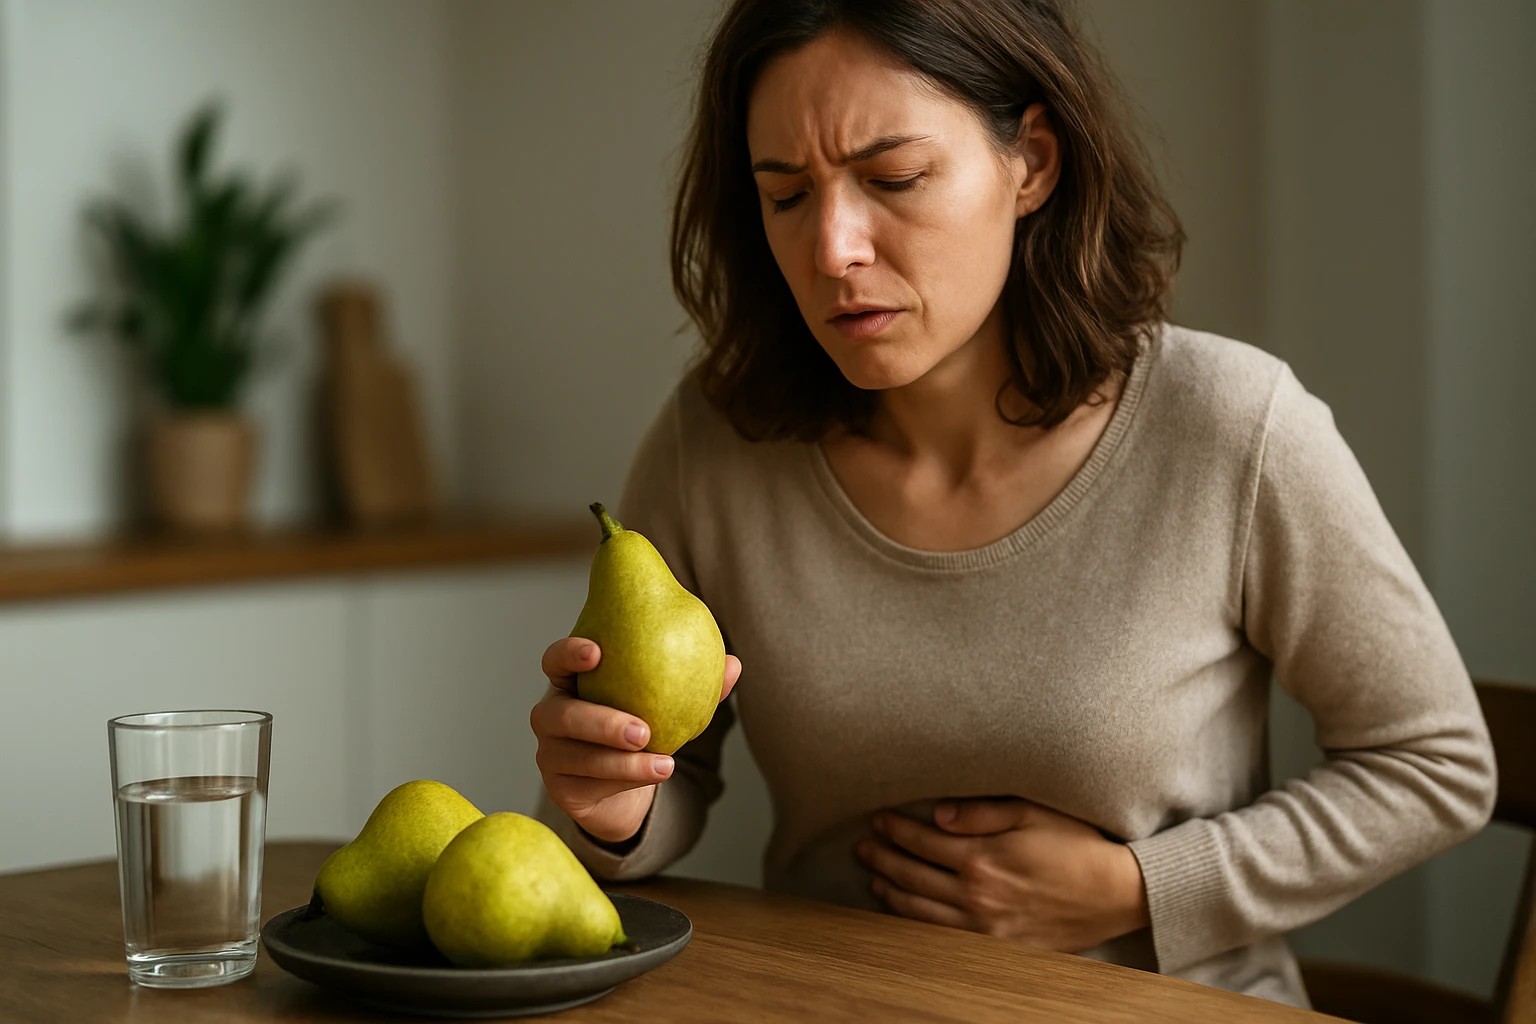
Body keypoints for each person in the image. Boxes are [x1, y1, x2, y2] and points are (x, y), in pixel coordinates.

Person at [529, 0, 1495, 1008]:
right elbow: (669, 784)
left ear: (1032, 163)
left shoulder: (1231, 427)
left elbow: (1435, 764)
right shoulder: (714, 442)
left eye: (893, 178)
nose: (832, 249)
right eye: (785, 197)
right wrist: (610, 807)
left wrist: (1140, 888)